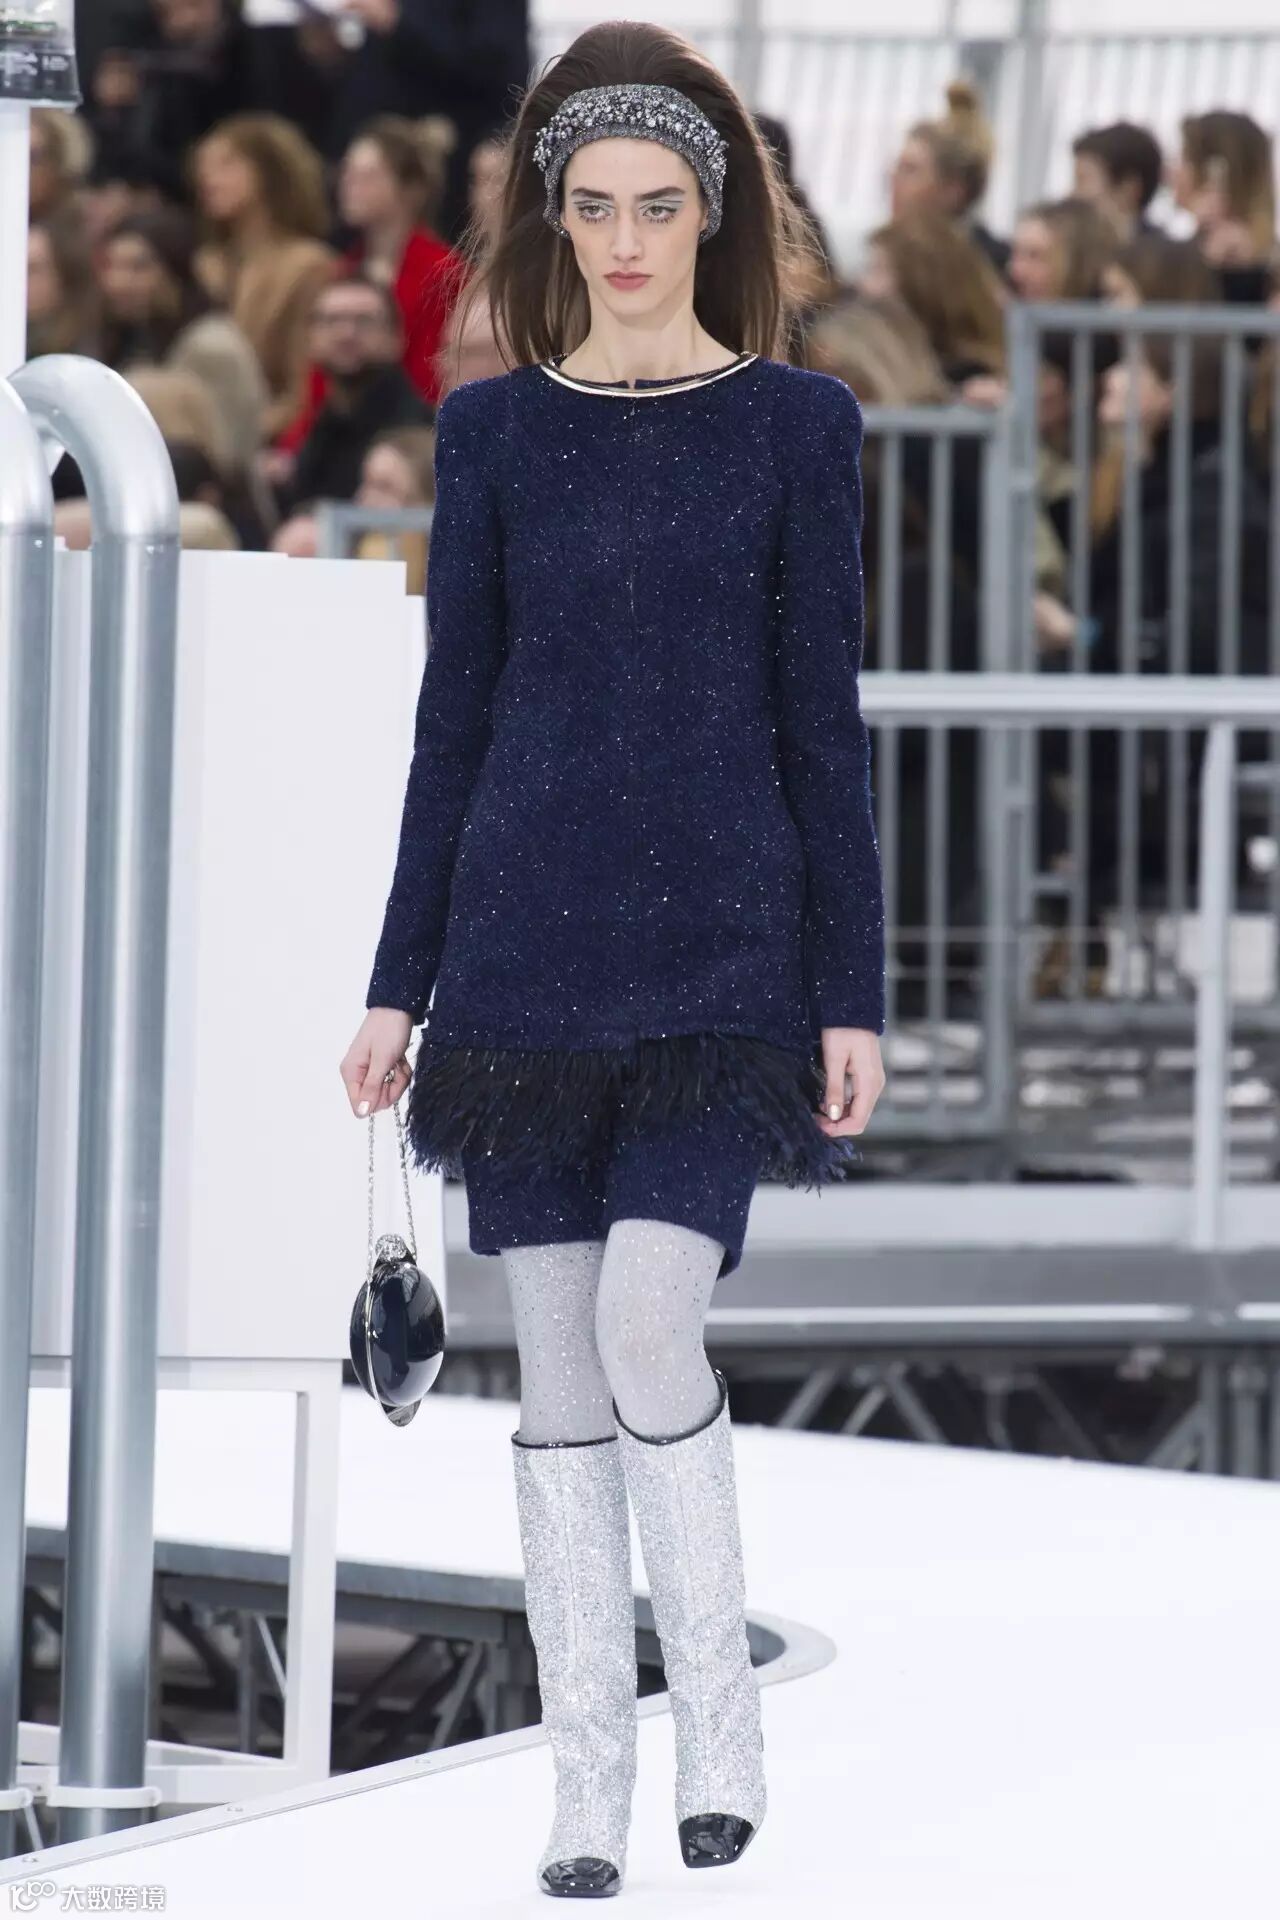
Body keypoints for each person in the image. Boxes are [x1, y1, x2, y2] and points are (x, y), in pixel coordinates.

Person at [338, 18, 886, 1900]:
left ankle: (719, 1729)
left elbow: (824, 724)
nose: (629, 239)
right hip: (520, 962)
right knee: (561, 1374)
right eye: (596, 208)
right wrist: (398, 982)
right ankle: (589, 1790)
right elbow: (453, 723)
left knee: (653, 1319)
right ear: (556, 222)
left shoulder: (800, 428)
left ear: (708, 213)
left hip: (724, 966)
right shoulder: (493, 434)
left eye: (660, 205)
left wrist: (851, 993)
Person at [270, 274, 430, 546]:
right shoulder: (322, 425)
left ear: (396, 337)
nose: (346, 334)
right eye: (331, 321)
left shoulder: (419, 430)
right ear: (310, 337)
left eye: (363, 321)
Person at [1071, 122, 1165, 245]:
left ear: (1128, 190)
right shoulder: (1073, 249)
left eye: (1083, 180)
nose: (1073, 194)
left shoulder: (1157, 254)